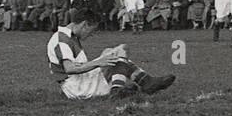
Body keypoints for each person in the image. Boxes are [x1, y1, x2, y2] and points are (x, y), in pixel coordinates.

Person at [47, 8, 175, 100]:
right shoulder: (62, 39)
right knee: (118, 54)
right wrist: (98, 62)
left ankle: (139, 84)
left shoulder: (69, 37)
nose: (92, 34)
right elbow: (70, 69)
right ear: (85, 24)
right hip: (77, 86)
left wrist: (102, 60)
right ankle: (120, 89)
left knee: (114, 51)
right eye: (92, 30)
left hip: (79, 81)